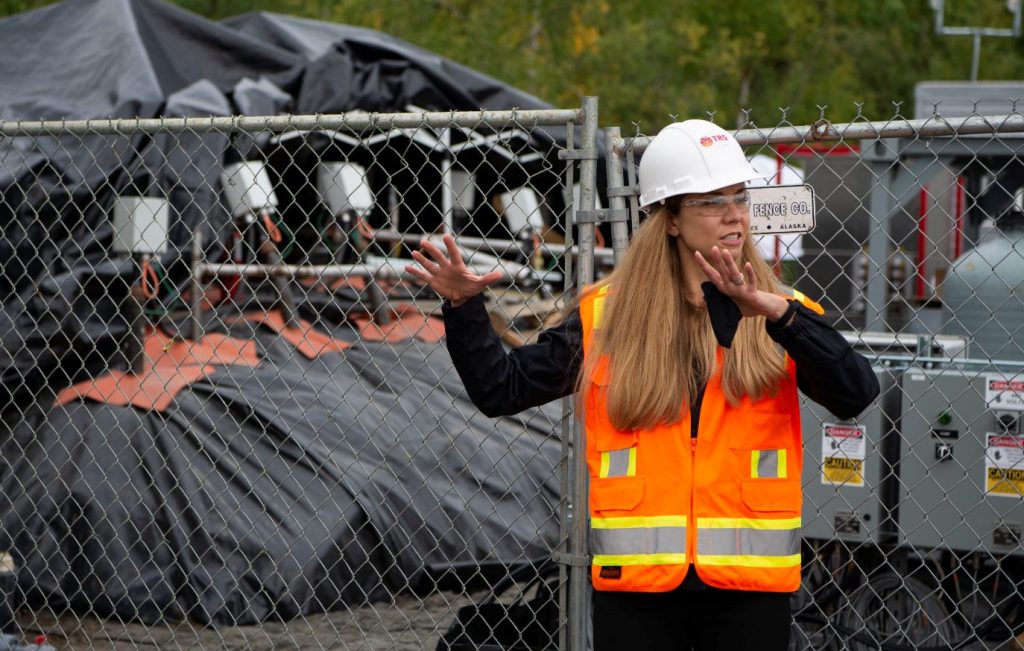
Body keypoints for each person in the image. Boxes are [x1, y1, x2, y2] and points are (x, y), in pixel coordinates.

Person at [407, 119, 879, 651]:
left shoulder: (784, 316)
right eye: (710, 201)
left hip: (750, 590)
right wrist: (465, 307)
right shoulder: (606, 316)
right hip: (637, 591)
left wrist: (779, 314)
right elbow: (502, 390)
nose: (733, 214)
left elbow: (855, 393)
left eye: (739, 197)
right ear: (671, 218)